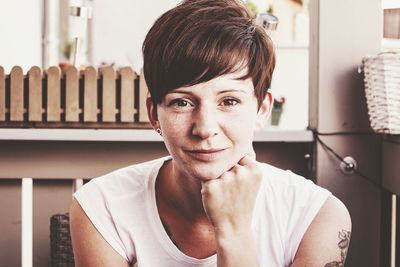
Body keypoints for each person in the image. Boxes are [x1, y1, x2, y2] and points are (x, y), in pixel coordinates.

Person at [70, 0, 352, 266]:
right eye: (182, 102)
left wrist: (234, 231)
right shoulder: (102, 206)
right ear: (154, 113)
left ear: (262, 109)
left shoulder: (317, 216)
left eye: (229, 101)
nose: (204, 128)